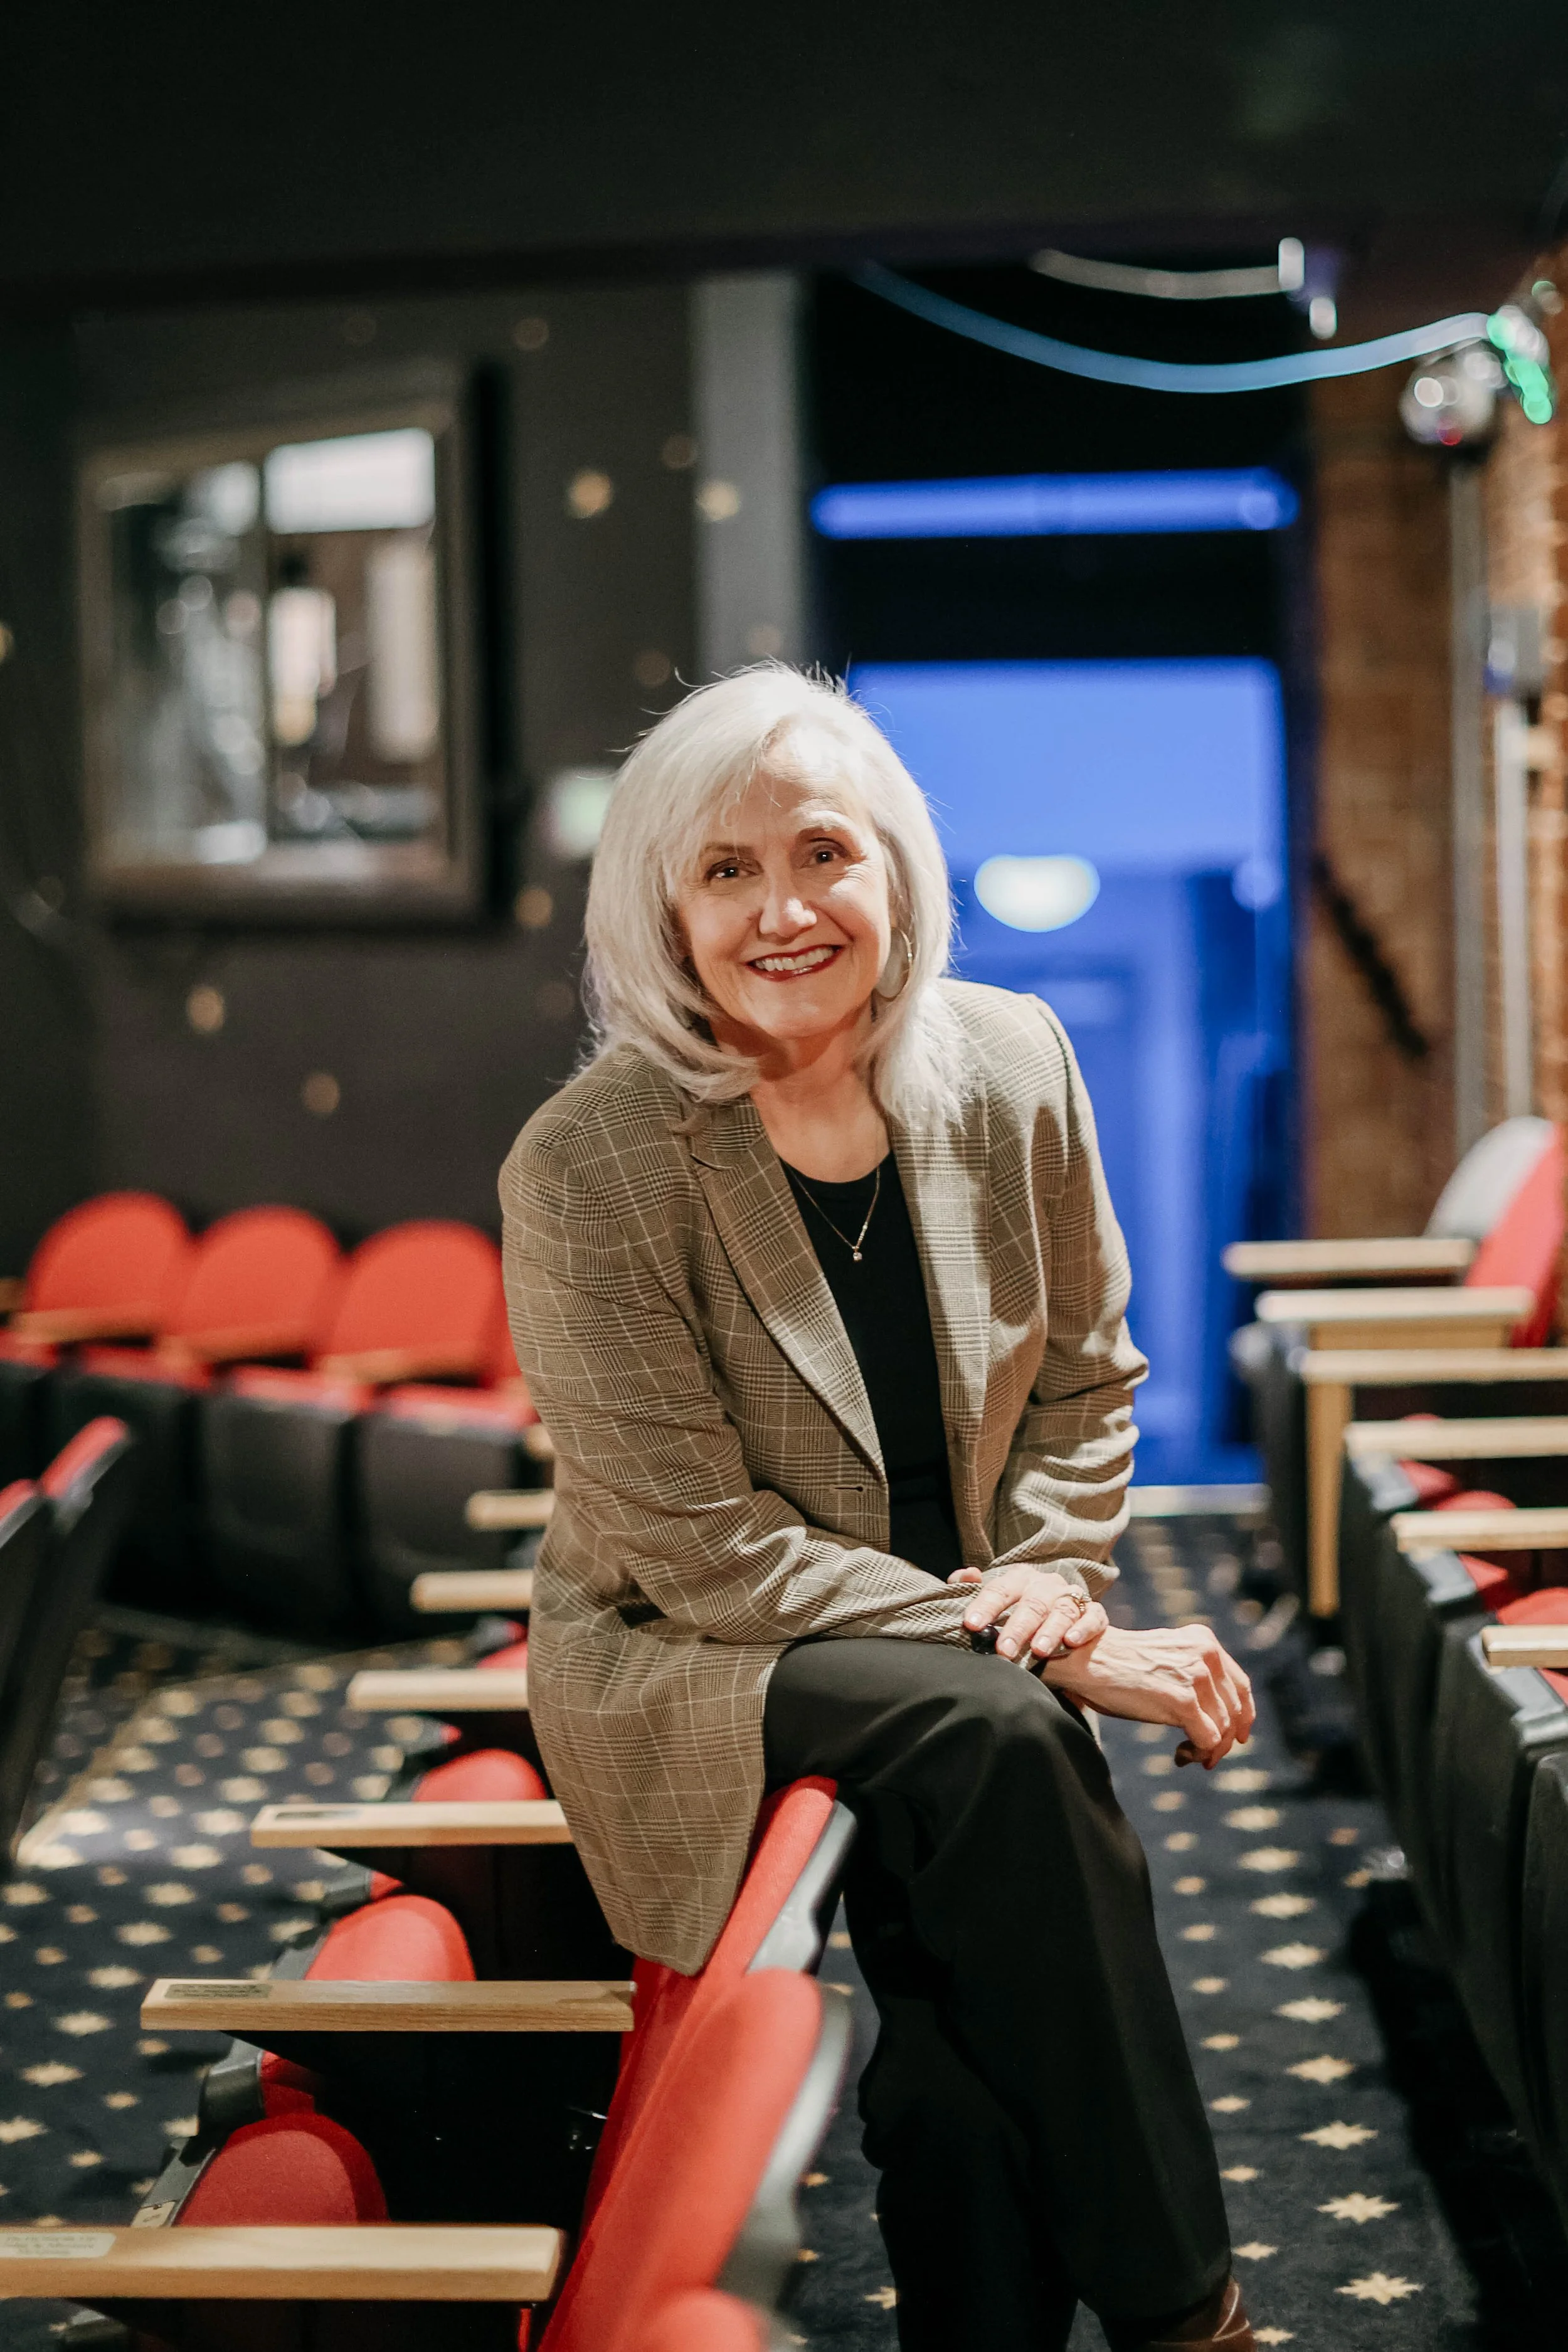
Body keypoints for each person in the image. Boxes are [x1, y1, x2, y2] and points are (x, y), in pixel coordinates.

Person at [501, 667, 1258, 2352]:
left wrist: (1052, 1584)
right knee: (1000, 1737)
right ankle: (1183, 2307)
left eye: (823, 851)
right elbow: (691, 1546)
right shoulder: (589, 1164)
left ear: (895, 871)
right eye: (723, 871)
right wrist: (1038, 1642)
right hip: (693, 1653)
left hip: (958, 1639)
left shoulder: (1009, 1059)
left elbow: (1085, 1371)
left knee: (972, 1934)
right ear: (663, 911)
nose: (784, 906)